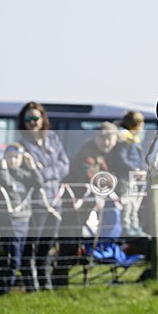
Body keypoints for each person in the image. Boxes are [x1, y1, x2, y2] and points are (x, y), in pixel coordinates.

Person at [53, 122, 119, 287]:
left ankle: (60, 282)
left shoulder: (103, 154)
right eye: (103, 138)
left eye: (111, 138)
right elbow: (89, 175)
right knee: (69, 246)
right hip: (74, 209)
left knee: (74, 246)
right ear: (95, 137)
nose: (107, 142)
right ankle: (59, 283)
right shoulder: (88, 154)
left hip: (85, 209)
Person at [17, 102, 70, 291]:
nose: (32, 123)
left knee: (47, 245)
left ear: (42, 119)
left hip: (55, 200)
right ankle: (32, 285)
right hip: (36, 202)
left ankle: (45, 282)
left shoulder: (53, 139)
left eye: (36, 118)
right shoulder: (20, 145)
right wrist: (48, 172)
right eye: (28, 119)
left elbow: (65, 165)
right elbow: (30, 175)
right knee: (32, 245)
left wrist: (45, 171)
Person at [0, 143, 44, 294]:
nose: (13, 161)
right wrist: (2, 168)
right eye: (10, 157)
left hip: (24, 220)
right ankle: (3, 290)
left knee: (24, 256)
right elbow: (6, 184)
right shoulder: (1, 173)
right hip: (10, 221)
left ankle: (29, 289)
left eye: (16, 158)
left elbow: (39, 183)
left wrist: (32, 166)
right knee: (13, 258)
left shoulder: (23, 174)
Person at [109, 110, 148, 236]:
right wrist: (135, 170)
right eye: (141, 125)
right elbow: (121, 159)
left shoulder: (133, 139)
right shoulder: (124, 139)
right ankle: (126, 227)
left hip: (134, 178)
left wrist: (142, 169)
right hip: (125, 178)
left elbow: (138, 158)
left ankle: (134, 225)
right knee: (126, 203)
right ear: (135, 125)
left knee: (134, 204)